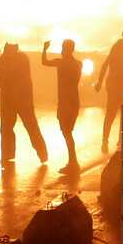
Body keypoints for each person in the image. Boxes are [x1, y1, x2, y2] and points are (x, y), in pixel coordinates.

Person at [0, 42, 48, 166]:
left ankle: (42, 154)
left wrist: (8, 88)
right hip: (9, 99)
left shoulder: (21, 59)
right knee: (6, 129)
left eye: (8, 48)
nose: (6, 50)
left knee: (30, 126)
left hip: (22, 99)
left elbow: (13, 77)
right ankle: (7, 155)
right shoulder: (5, 58)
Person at [96, 22, 123, 153]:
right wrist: (99, 81)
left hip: (119, 84)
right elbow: (106, 64)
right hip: (114, 84)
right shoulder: (119, 46)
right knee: (112, 112)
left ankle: (119, 139)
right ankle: (105, 141)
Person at [42, 39, 82, 172]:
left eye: (63, 48)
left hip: (65, 102)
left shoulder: (61, 63)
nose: (62, 50)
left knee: (66, 132)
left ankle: (73, 162)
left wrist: (44, 50)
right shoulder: (78, 64)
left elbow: (44, 62)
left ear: (66, 49)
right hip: (74, 101)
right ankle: (73, 162)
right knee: (68, 132)